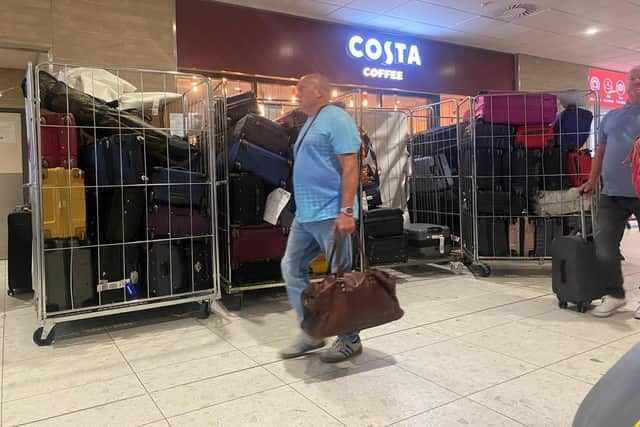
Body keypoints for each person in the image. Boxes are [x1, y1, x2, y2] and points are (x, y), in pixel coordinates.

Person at [279, 74, 363, 363]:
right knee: (291, 267)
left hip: (331, 213)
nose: (297, 93)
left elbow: (350, 165)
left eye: (302, 88)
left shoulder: (336, 119)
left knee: (341, 278)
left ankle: (350, 340)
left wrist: (347, 210)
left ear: (320, 92)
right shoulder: (310, 122)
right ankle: (313, 331)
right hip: (306, 215)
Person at [581, 65, 640, 319]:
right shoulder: (611, 117)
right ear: (626, 84)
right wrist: (592, 180)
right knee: (604, 245)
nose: (638, 81)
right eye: (634, 77)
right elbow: (600, 152)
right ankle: (615, 294)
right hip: (612, 192)